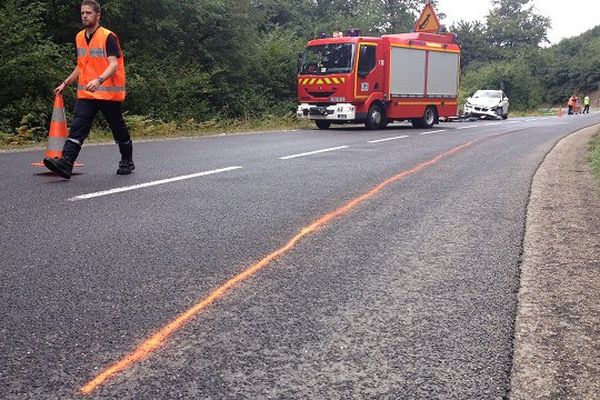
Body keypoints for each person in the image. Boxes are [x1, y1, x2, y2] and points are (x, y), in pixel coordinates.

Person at [44, 0, 133, 179]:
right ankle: (66, 163)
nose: (85, 16)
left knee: (118, 128)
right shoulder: (79, 37)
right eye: (83, 13)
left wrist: (99, 80)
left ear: (97, 15)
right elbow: (81, 66)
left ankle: (127, 160)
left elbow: (114, 64)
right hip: (87, 93)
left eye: (89, 13)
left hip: (108, 93)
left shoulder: (108, 36)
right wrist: (65, 83)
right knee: (78, 126)